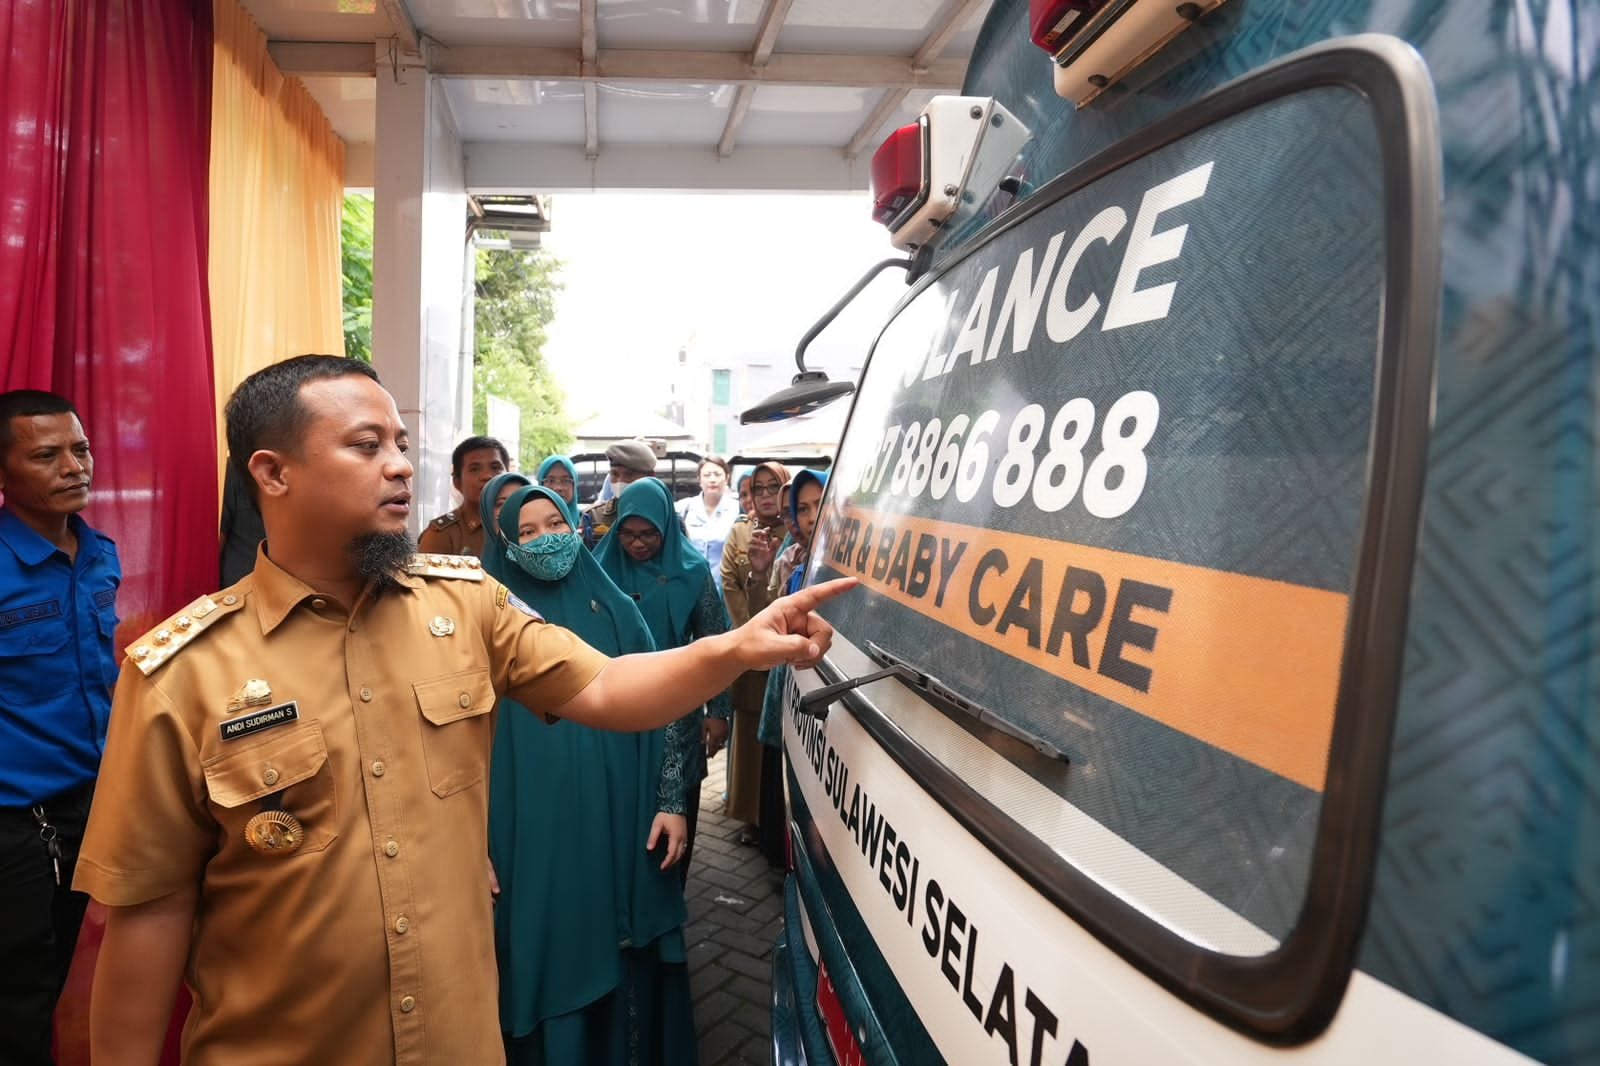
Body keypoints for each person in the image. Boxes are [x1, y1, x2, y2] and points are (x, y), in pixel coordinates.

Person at [71, 356, 852, 1066]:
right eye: (366, 446)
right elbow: (149, 917)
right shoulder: (182, 675)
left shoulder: (466, 606)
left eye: (402, 445)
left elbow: (610, 688)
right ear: (273, 473)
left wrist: (735, 650)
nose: (401, 466)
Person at [486, 482, 697, 1064]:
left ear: (576, 527)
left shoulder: (617, 610)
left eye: (553, 524)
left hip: (620, 815)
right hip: (527, 831)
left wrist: (670, 799)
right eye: (525, 532)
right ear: (503, 544)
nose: (544, 540)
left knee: (618, 942)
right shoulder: (487, 623)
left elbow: (669, 701)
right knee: (548, 949)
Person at [0, 389, 122, 1066]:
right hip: (13, 820)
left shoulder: (98, 553)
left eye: (79, 448)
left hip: (85, 810)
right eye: (46, 456)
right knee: (15, 995)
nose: (73, 466)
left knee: (51, 986)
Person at [595, 478, 733, 883]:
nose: (638, 544)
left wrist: (719, 711)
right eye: (629, 534)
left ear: (667, 528)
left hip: (677, 711)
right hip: (613, 708)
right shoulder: (600, 570)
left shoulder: (692, 573)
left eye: (649, 534)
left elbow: (717, 643)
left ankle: (666, 900)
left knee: (676, 807)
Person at [756, 469, 831, 866]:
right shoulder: (796, 559)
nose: (810, 515)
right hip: (790, 679)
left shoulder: (848, 567)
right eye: (802, 508)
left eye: (820, 504)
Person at [720, 461, 790, 847]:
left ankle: (776, 821)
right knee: (748, 734)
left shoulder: (796, 530)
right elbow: (729, 584)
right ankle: (750, 816)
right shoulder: (741, 532)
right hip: (749, 648)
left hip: (784, 653)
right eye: (758, 488)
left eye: (772, 487)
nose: (764, 495)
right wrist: (752, 635)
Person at [417, 435, 510, 557]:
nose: (487, 476)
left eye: (495, 467)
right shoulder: (442, 535)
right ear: (457, 482)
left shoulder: (523, 524)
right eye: (475, 469)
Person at [581, 439, 655, 549]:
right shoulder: (594, 516)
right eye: (614, 474)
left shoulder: (668, 518)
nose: (620, 481)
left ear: (651, 477)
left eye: (629, 475)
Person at [674, 455, 739, 573]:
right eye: (707, 475)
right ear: (699, 479)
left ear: (727, 478)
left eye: (717, 474)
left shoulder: (737, 509)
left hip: (725, 584)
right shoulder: (683, 508)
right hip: (692, 581)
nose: (712, 479)